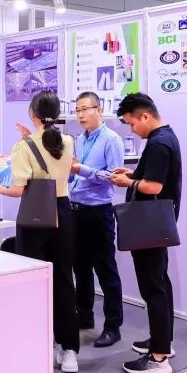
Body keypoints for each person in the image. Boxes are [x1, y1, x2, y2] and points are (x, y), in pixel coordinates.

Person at [0, 90, 81, 373]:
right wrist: (29, 137)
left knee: (33, 282)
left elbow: (18, 189)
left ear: (32, 114)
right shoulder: (67, 141)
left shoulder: (23, 147)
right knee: (64, 281)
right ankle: (69, 350)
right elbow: (52, 153)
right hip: (63, 213)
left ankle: (37, 344)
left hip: (34, 216)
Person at [109, 93, 181, 373]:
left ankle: (158, 359)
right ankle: (163, 342)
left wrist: (128, 182)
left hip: (149, 226)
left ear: (145, 116)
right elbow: (152, 178)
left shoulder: (159, 143)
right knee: (160, 283)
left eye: (132, 124)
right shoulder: (164, 137)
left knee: (153, 289)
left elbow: (154, 187)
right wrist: (132, 174)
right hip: (156, 225)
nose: (132, 130)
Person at [68, 91, 125, 348]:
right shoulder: (79, 140)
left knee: (106, 270)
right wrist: (69, 173)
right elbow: (76, 173)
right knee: (80, 268)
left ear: (98, 110)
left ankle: (113, 327)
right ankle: (84, 316)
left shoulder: (111, 140)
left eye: (85, 109)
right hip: (76, 209)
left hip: (99, 212)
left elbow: (114, 177)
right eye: (77, 110)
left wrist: (81, 169)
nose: (80, 115)